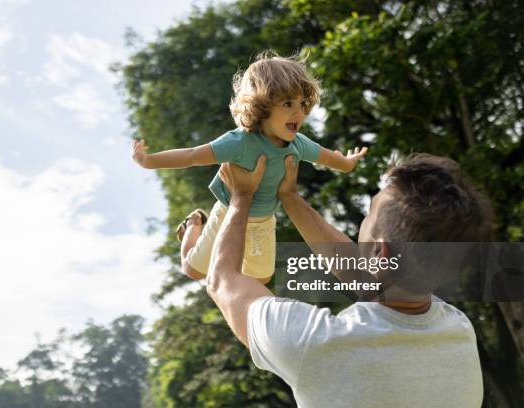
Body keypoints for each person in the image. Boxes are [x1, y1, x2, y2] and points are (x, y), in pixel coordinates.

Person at [205, 153, 494, 408]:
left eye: (370, 212)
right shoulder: (458, 329)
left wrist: (240, 197)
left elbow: (222, 279)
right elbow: (373, 282)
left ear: (380, 251)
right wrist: (289, 197)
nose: (364, 220)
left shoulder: (315, 343)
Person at [132, 51, 367, 283]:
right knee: (193, 270)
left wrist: (348, 162)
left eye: (302, 103)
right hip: (227, 212)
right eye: (288, 103)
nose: (299, 112)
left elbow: (328, 158)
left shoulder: (297, 144)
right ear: (261, 105)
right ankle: (192, 229)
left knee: (261, 278)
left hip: (263, 221)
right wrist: (148, 160)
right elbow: (192, 156)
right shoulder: (239, 142)